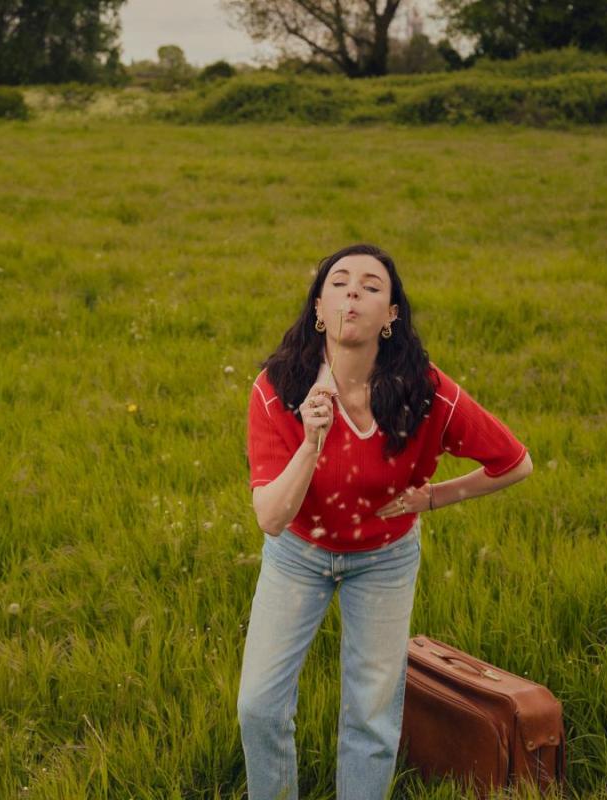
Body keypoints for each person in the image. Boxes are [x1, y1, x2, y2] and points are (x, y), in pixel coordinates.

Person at [237, 243, 533, 800]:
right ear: (319, 309)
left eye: (372, 286)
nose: (355, 291)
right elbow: (272, 518)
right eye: (340, 282)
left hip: (384, 559)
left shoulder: (426, 391)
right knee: (258, 705)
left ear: (391, 315)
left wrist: (433, 498)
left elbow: (515, 462)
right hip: (298, 554)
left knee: (371, 716)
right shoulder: (277, 389)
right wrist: (312, 442)